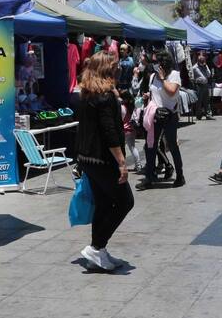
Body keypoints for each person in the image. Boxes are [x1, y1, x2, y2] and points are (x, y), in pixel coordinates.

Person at [75, 51, 133, 271]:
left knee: (104, 203)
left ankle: (98, 251)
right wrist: (121, 161)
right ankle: (96, 247)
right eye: (115, 66)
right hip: (103, 159)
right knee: (125, 201)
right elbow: (109, 131)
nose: (118, 69)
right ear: (107, 69)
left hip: (87, 157)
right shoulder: (105, 96)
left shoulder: (87, 94)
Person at [139, 50, 185, 189]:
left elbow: (171, 92)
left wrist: (163, 78)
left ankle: (180, 175)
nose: (154, 65)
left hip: (170, 116)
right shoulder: (153, 76)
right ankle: (149, 177)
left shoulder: (174, 75)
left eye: (156, 62)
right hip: (156, 115)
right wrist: (148, 95)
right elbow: (155, 93)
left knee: (172, 145)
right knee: (150, 145)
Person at [120, 90, 142, 172]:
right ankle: (138, 165)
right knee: (133, 148)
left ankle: (122, 166)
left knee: (122, 148)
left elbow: (120, 119)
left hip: (124, 130)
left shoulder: (123, 107)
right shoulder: (133, 105)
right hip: (132, 129)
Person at [192, 52, 214, 120]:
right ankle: (198, 115)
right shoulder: (194, 68)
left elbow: (209, 75)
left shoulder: (205, 65)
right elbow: (193, 77)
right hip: (199, 85)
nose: (203, 62)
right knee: (199, 101)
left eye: (203, 61)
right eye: (201, 61)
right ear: (198, 61)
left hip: (205, 85)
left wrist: (205, 67)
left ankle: (208, 114)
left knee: (207, 100)